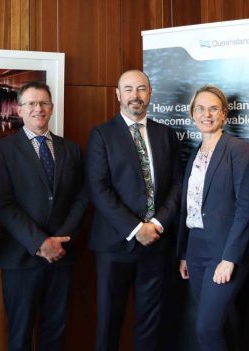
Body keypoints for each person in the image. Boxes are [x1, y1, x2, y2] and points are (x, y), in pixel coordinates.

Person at [86, 69, 182, 351]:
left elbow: (178, 184)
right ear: (118, 95)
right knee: (108, 322)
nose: (135, 95)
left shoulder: (166, 134)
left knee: (150, 326)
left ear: (150, 93)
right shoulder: (102, 135)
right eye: (128, 89)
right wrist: (136, 228)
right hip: (114, 245)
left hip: (156, 243)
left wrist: (158, 224)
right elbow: (98, 189)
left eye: (141, 89)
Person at [0, 81, 88, 350]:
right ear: (19, 110)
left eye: (43, 103)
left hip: (61, 257)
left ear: (52, 108)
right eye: (31, 104)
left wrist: (59, 241)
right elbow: (3, 203)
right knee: (19, 334)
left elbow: (81, 197)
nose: (38, 109)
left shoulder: (71, 149)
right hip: (20, 257)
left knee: (55, 333)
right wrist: (40, 243)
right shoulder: (2, 150)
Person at [176, 85, 249, 350]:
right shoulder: (196, 154)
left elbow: (247, 208)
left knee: (207, 328)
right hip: (197, 249)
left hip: (225, 251)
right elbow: (190, 206)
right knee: (224, 323)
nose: (206, 114)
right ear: (192, 114)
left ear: (224, 114)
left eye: (213, 108)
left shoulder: (238, 150)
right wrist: (185, 253)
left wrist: (230, 258)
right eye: (200, 108)